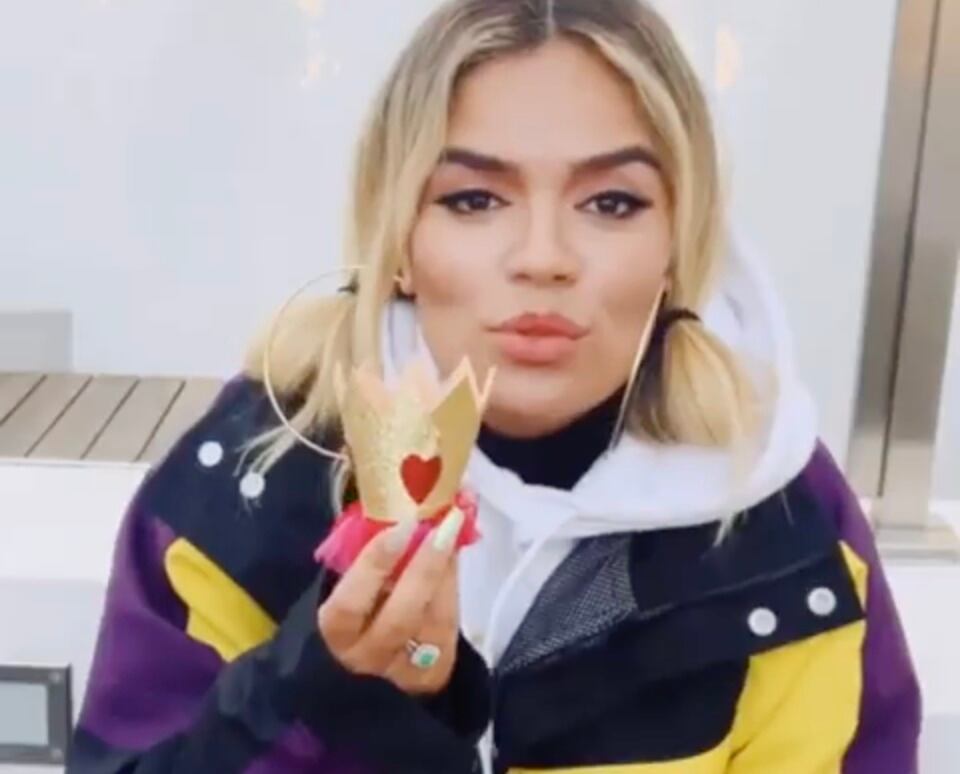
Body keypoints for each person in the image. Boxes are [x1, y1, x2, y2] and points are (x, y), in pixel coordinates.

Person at [68, 1, 921, 772]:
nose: (543, 257)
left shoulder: (780, 515)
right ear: (400, 238)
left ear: (676, 242)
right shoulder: (249, 486)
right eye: (474, 199)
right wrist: (328, 691)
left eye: (612, 203)